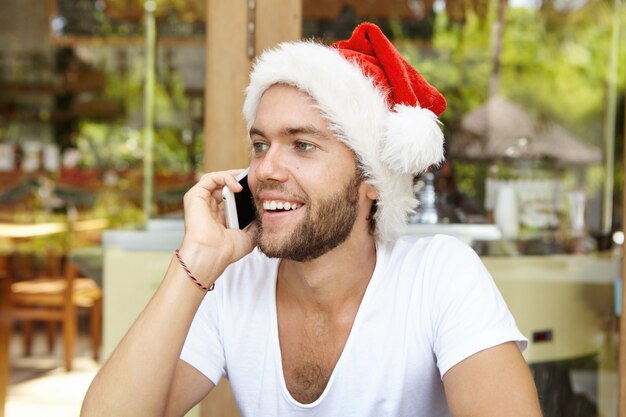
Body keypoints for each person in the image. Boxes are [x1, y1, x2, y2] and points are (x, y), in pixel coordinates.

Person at [81, 23, 542, 417]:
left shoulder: (439, 276)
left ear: (373, 177)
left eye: (302, 145)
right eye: (261, 145)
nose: (265, 170)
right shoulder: (234, 283)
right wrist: (196, 263)